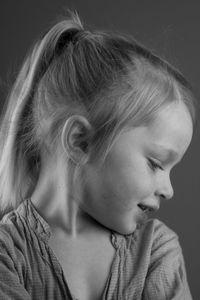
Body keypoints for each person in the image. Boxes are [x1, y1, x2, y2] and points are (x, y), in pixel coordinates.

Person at [0, 11, 196, 300]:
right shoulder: (8, 254)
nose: (169, 190)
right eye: (156, 164)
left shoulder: (156, 251)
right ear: (80, 141)